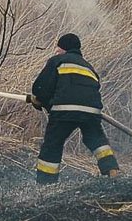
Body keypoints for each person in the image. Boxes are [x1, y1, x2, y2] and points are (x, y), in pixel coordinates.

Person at [26, 33, 121, 184]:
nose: (56, 51)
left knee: (53, 144)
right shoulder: (89, 67)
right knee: (96, 140)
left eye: (58, 49)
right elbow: (88, 91)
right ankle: (112, 170)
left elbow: (40, 89)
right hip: (91, 112)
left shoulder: (57, 61)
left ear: (63, 48)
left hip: (65, 111)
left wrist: (39, 101)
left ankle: (45, 183)